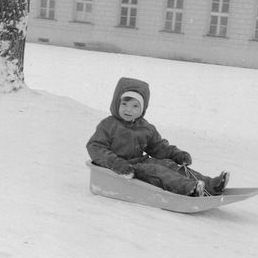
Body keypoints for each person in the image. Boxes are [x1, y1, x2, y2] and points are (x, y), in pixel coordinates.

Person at [86, 77, 229, 197]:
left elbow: (158, 147)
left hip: (138, 161)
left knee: (169, 165)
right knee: (157, 171)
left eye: (135, 106)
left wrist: (176, 154)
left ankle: (211, 185)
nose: (128, 109)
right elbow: (95, 147)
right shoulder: (108, 124)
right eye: (124, 104)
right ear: (116, 103)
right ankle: (190, 189)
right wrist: (116, 163)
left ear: (142, 109)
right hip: (120, 167)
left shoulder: (145, 127)